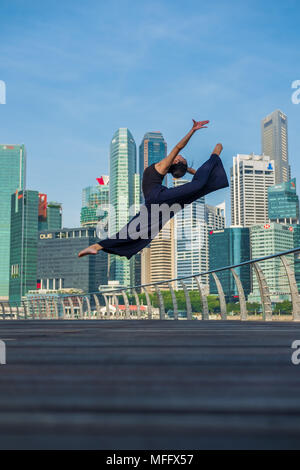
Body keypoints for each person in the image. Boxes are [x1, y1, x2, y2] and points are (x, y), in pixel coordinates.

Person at [78, 119, 229, 259]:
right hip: (158, 197)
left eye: (181, 158)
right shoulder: (162, 167)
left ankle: (97, 246)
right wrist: (193, 133)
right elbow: (179, 152)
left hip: (155, 201)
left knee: (137, 230)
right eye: (182, 158)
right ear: (175, 161)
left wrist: (192, 137)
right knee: (196, 187)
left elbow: (184, 159)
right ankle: (214, 157)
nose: (180, 156)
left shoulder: (160, 168)